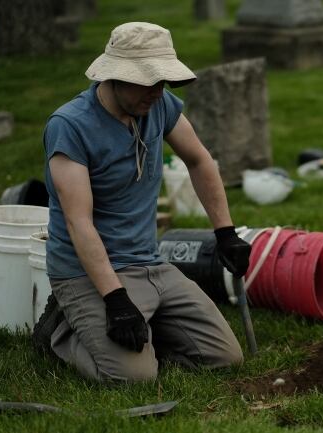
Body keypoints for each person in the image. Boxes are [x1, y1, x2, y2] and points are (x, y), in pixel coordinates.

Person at [32, 22, 250, 382]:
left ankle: (142, 330)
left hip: (150, 261)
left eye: (163, 82)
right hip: (87, 273)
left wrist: (225, 232)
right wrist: (115, 300)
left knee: (224, 357)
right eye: (149, 82)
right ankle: (60, 333)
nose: (158, 92)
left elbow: (200, 160)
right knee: (134, 378)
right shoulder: (70, 126)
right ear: (114, 76)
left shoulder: (159, 105)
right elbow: (78, 223)